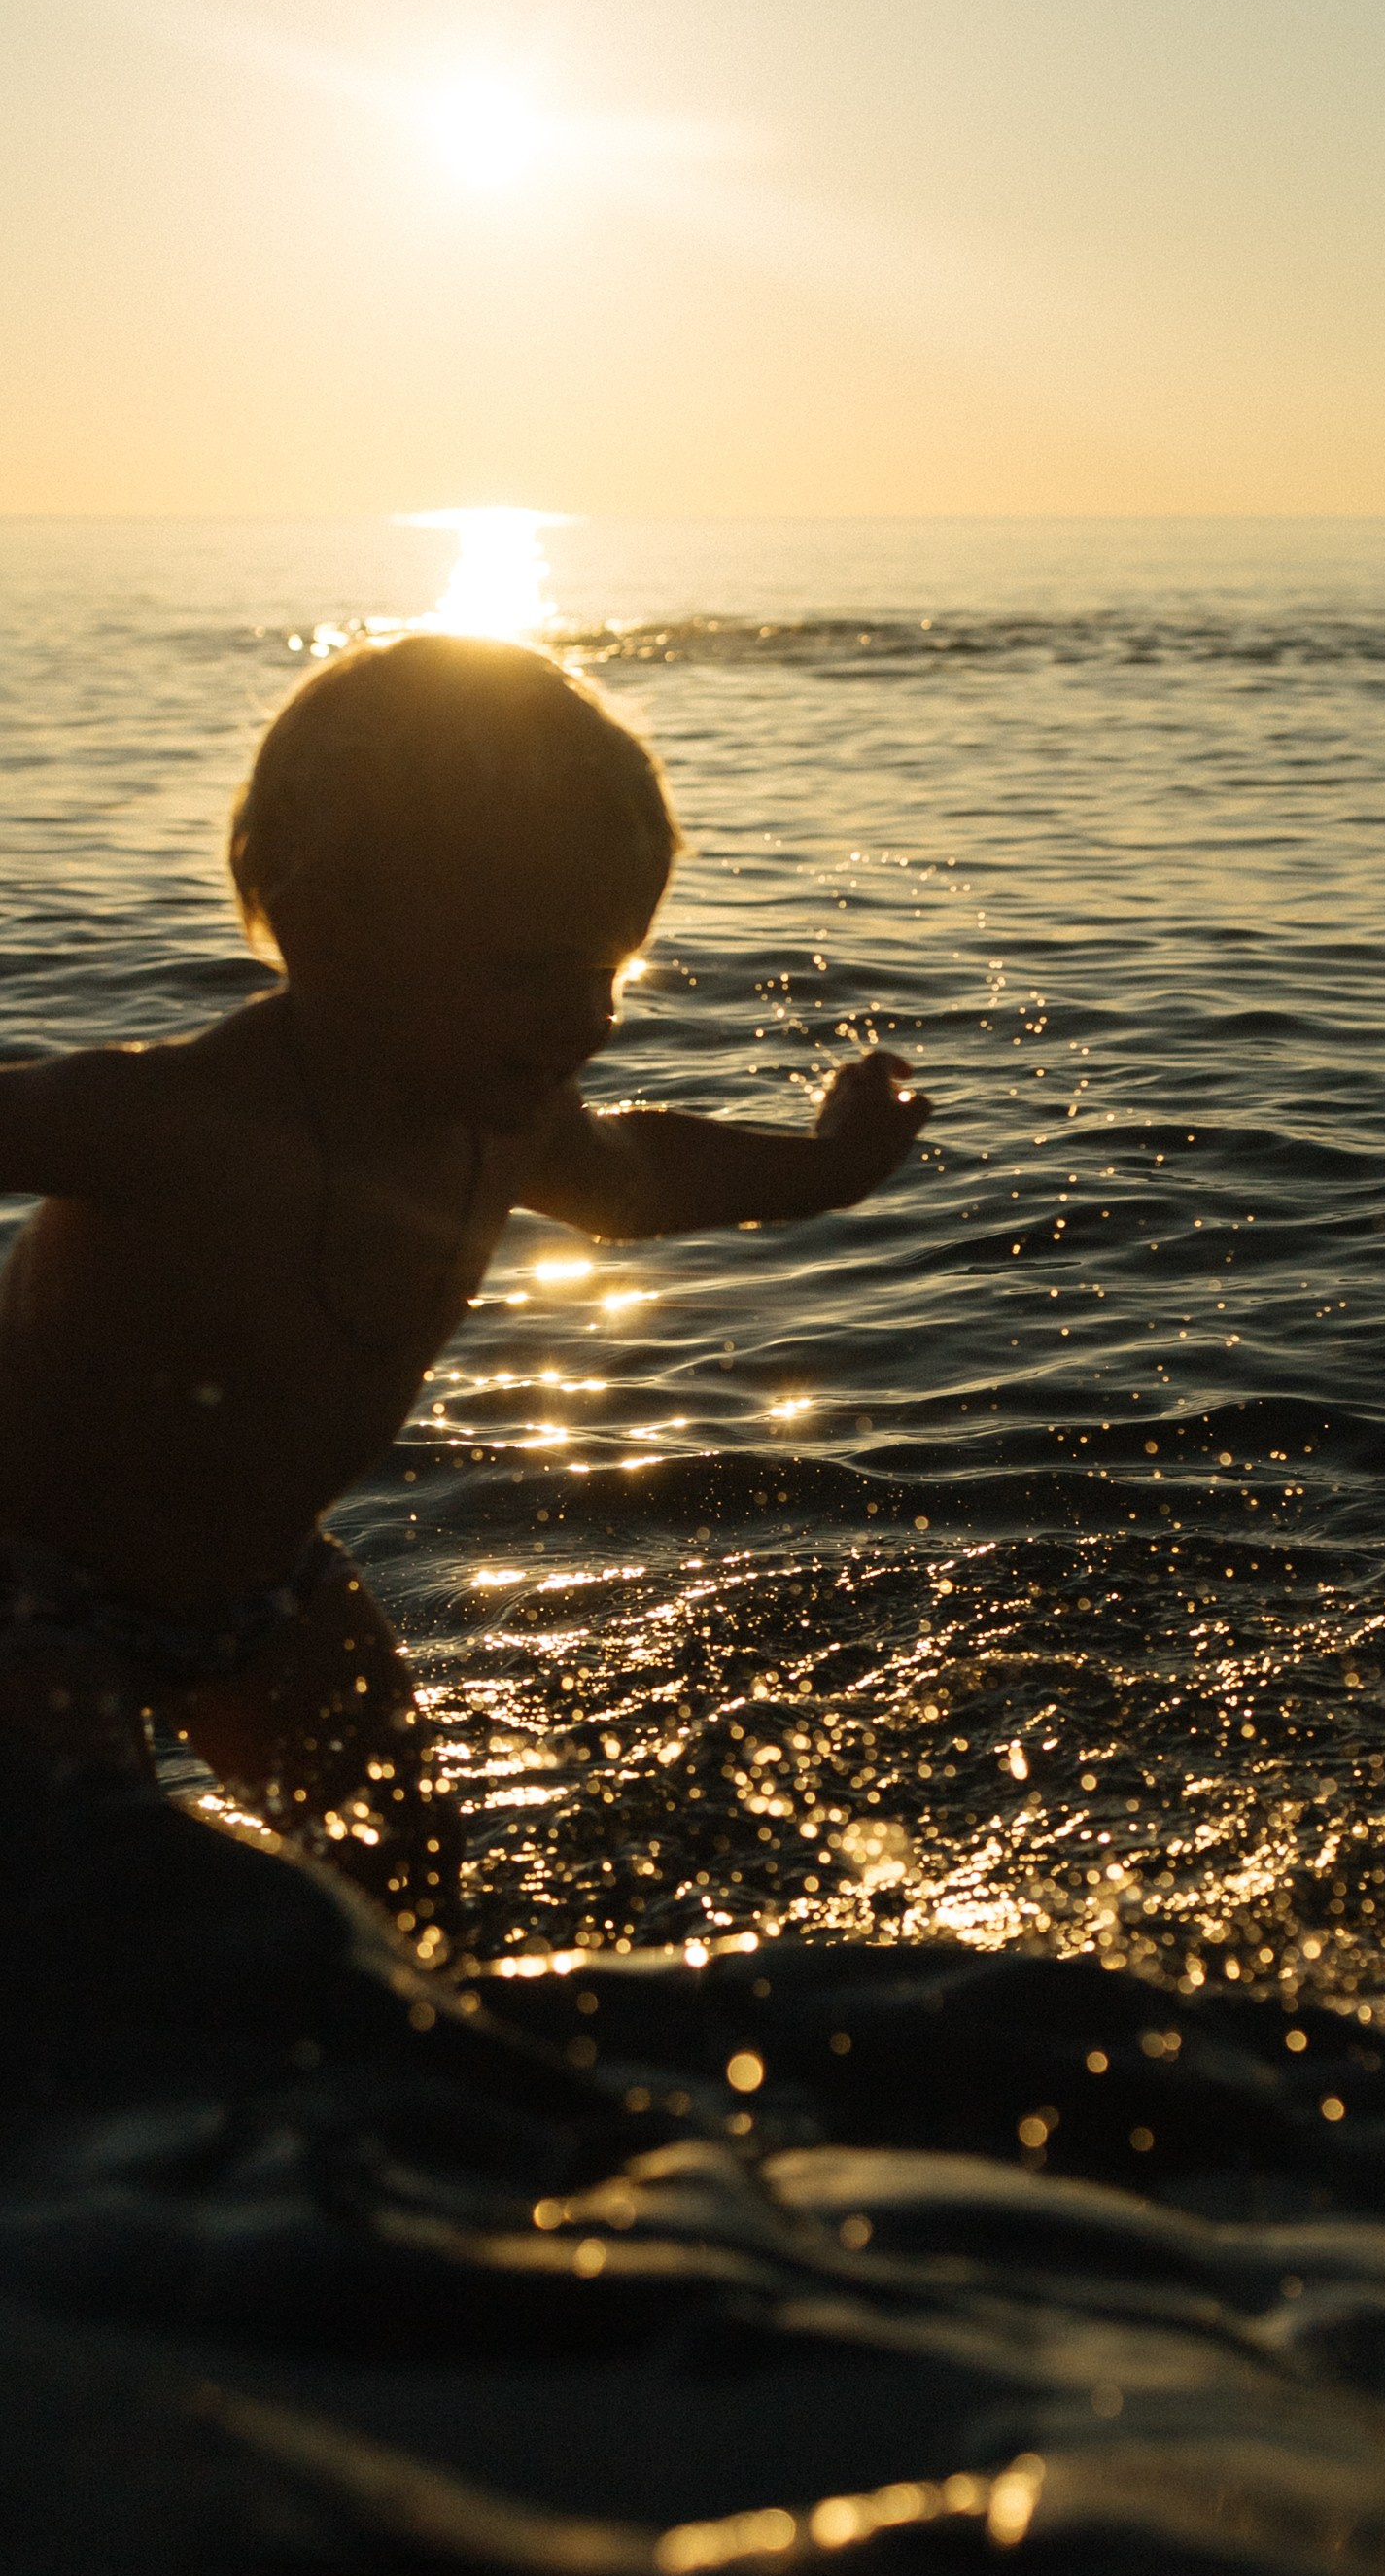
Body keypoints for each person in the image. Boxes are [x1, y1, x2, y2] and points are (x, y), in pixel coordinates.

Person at [0, 634, 928, 1940]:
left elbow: (636, 1181)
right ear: (331, 933)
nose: (588, 1021)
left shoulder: (508, 1123)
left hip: (261, 1588)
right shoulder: (180, 1118)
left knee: (411, 1883)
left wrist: (826, 1169)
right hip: (28, 1582)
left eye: (607, 970)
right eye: (525, 972)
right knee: (92, 1888)